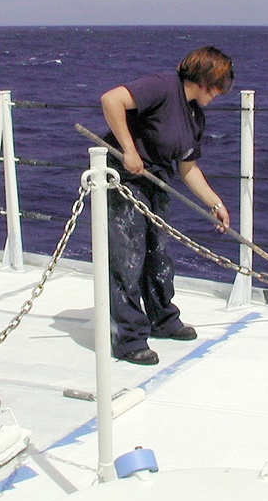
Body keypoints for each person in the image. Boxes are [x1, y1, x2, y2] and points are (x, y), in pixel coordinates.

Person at [100, 46, 234, 365]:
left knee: (158, 253)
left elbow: (188, 168)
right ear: (203, 79)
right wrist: (129, 150)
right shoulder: (162, 86)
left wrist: (215, 203)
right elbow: (111, 99)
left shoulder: (194, 115)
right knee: (127, 258)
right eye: (218, 86)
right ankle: (128, 337)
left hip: (157, 178)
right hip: (126, 179)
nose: (219, 94)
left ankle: (163, 319)